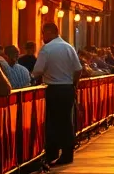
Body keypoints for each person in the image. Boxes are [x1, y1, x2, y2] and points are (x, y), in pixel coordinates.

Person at [32, 22, 82, 165]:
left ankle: (52, 152)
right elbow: (78, 69)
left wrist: (31, 78)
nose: (42, 37)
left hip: (52, 89)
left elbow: (38, 71)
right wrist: (74, 84)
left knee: (52, 122)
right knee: (66, 121)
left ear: (50, 32)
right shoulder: (69, 47)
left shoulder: (46, 49)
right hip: (67, 88)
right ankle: (67, 153)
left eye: (43, 33)